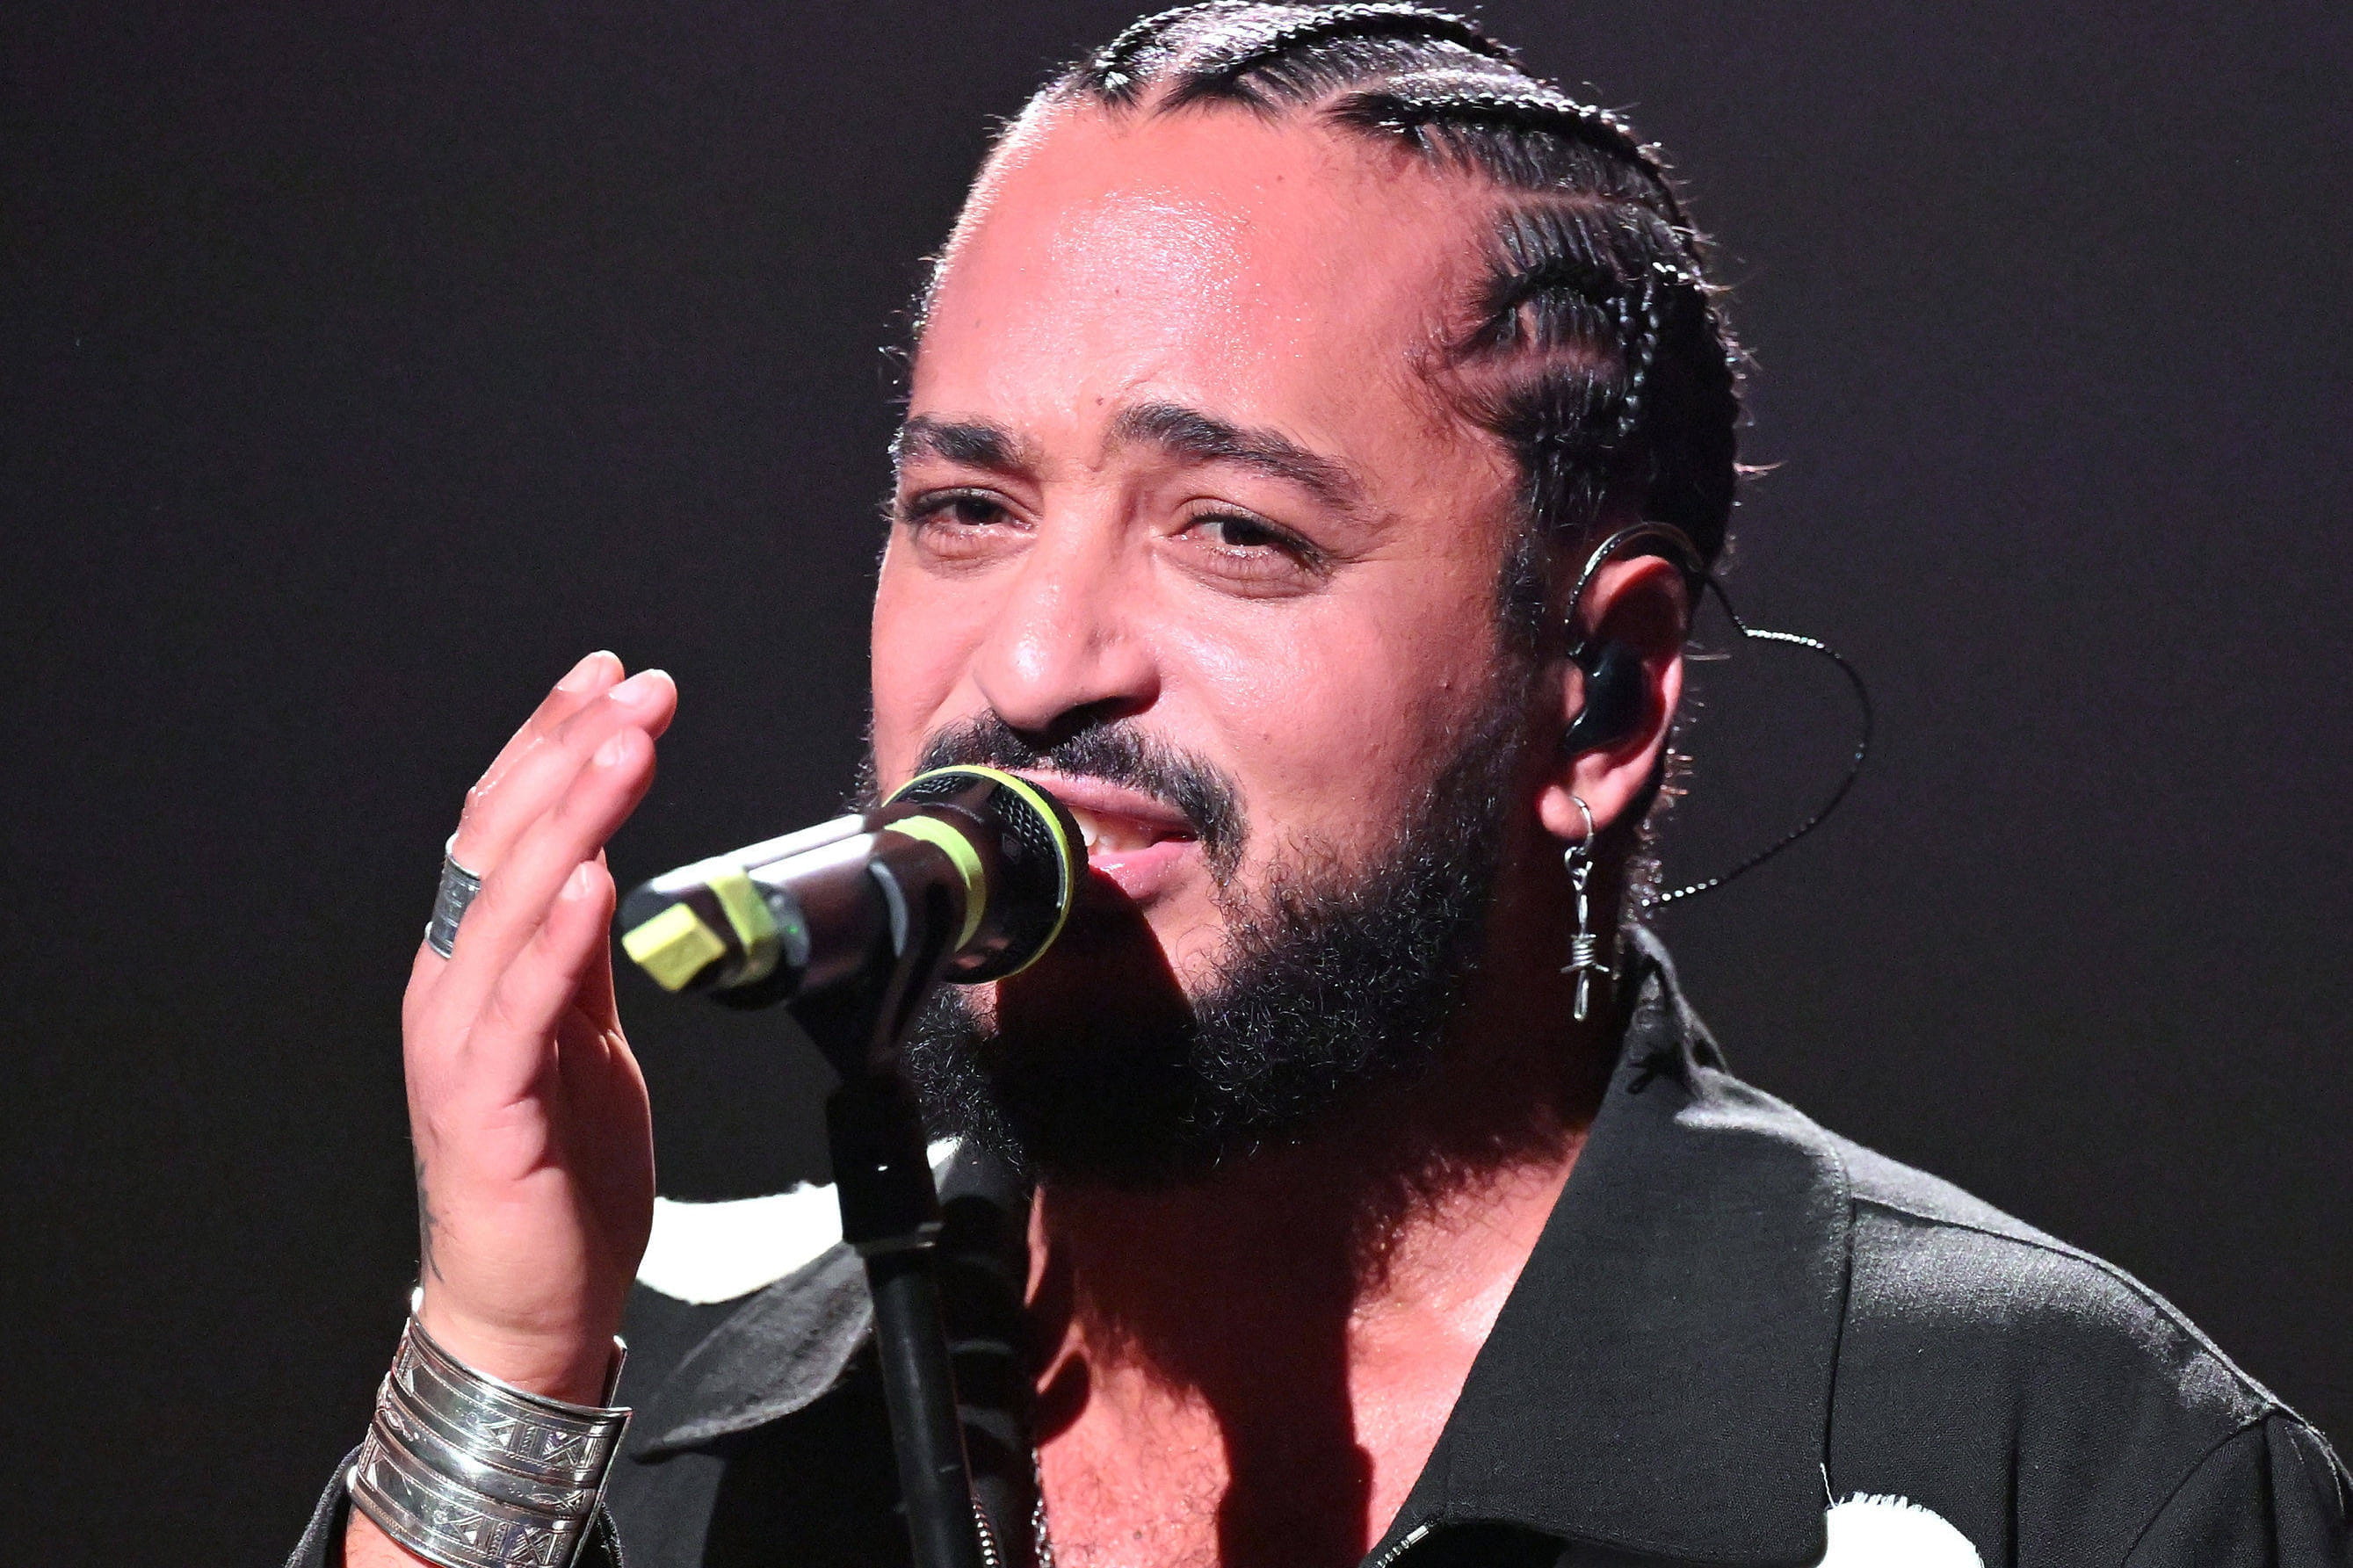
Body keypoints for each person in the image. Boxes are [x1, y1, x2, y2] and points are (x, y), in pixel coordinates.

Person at [289, 6, 2350, 1565]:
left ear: (1602, 695)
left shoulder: (2066, 1466)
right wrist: (502, 1356)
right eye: (967, 505)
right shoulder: (628, 1410)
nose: (1033, 661)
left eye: (1236, 532)